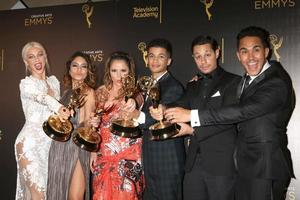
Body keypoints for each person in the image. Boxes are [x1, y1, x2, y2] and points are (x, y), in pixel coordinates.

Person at [164, 26, 295, 200]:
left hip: (265, 166)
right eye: (244, 52)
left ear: (266, 51)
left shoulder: (276, 81)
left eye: (256, 50)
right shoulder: (247, 79)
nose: (250, 57)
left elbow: (242, 111)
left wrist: (192, 118)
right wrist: (164, 109)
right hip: (244, 164)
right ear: (238, 56)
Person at [152, 35, 240, 200]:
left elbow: (228, 119)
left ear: (217, 52)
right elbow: (180, 103)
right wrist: (163, 109)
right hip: (193, 163)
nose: (203, 61)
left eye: (207, 54)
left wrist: (193, 130)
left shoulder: (233, 82)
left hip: (221, 164)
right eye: (198, 56)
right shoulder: (193, 84)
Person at [15, 41, 70, 200]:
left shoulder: (54, 82)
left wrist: (64, 112)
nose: (36, 60)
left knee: (47, 195)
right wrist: (58, 107)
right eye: (31, 57)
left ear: (45, 57)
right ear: (26, 62)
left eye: (40, 55)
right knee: (37, 195)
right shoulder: (26, 84)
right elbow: (42, 97)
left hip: (50, 145)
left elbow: (55, 116)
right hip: (30, 144)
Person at [134, 38, 186, 200]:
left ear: (169, 61)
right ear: (146, 58)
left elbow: (162, 115)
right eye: (151, 56)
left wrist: (137, 115)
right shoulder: (144, 86)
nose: (155, 60)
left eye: (161, 56)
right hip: (150, 157)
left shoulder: (173, 87)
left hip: (167, 160)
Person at [91, 51, 144, 200]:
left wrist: (133, 101)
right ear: (109, 71)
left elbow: (138, 102)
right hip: (104, 153)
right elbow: (94, 125)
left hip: (129, 154)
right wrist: (93, 152)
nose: (119, 76)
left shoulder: (136, 92)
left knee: (126, 194)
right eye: (114, 71)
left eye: (123, 71)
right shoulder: (100, 93)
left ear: (130, 71)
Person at [47, 51, 96, 199]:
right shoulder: (65, 93)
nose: (79, 70)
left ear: (88, 71)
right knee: (58, 190)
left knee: (75, 197)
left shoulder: (89, 92)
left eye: (83, 66)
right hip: (59, 146)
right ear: (69, 70)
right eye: (75, 66)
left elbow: (89, 123)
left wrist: (93, 151)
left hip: (78, 146)